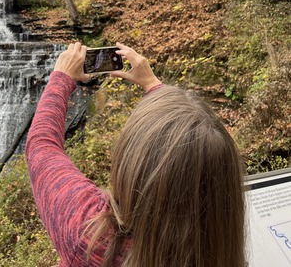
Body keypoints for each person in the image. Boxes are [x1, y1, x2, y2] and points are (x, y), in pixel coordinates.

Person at [25, 42, 246, 267]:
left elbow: (42, 146)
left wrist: (61, 77)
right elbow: (187, 149)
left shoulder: (91, 236)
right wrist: (153, 84)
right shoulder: (220, 246)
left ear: (130, 163)